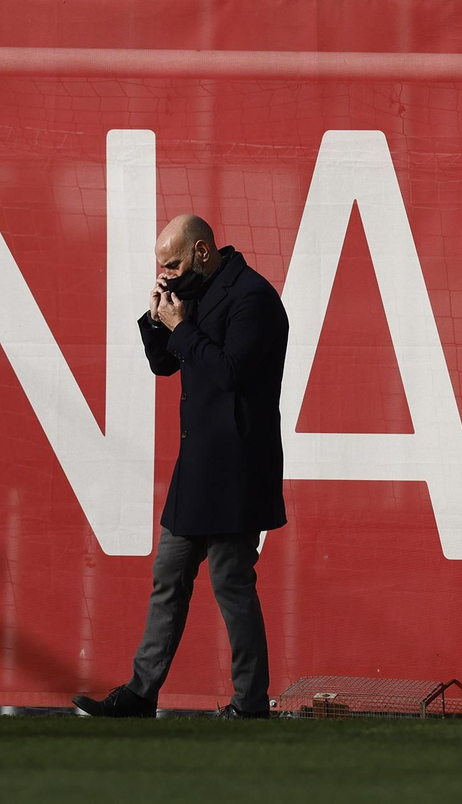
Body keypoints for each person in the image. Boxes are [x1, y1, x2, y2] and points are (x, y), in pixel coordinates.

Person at [73, 214, 289, 719]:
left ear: (203, 252)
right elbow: (165, 363)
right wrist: (157, 322)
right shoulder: (195, 291)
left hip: (236, 468)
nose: (165, 274)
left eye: (172, 263)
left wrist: (181, 327)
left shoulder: (252, 297)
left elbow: (229, 372)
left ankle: (251, 704)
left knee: (231, 583)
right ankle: (141, 693)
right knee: (168, 577)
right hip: (196, 469)